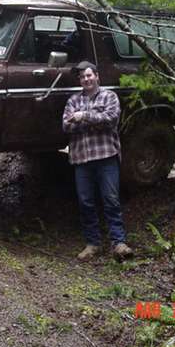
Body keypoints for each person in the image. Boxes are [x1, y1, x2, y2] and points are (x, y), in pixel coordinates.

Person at [62, 61, 133, 261]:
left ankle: (119, 243)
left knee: (111, 199)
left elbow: (111, 119)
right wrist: (94, 120)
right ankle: (93, 244)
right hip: (81, 159)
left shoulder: (109, 96)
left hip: (106, 157)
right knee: (86, 202)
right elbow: (66, 126)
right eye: (83, 77)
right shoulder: (73, 101)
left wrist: (83, 116)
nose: (86, 79)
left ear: (96, 76)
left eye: (89, 75)